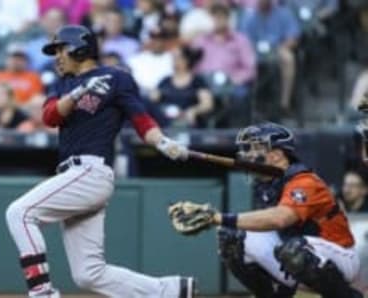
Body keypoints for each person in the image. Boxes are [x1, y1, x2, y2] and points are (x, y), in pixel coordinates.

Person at [5, 25, 195, 298]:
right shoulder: (63, 84)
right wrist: (77, 93)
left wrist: (163, 142)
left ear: (80, 48)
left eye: (61, 49)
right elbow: (49, 117)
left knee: (19, 213)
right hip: (73, 175)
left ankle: (42, 293)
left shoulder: (116, 78)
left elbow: (141, 120)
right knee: (88, 274)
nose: (57, 56)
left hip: (91, 171)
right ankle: (170, 290)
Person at [170, 122, 362, 298]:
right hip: (295, 252)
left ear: (277, 154)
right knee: (231, 236)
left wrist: (217, 217)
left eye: (256, 148)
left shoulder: (305, 181)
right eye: (248, 149)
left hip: (340, 257)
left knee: (294, 250)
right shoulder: (265, 184)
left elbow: (280, 219)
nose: (248, 154)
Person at [239, 0, 301, 113]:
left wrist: (281, 47)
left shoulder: (283, 13)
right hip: (254, 52)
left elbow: (293, 38)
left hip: (276, 49)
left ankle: (284, 102)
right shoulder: (249, 16)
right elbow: (243, 40)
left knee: (288, 58)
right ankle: (251, 103)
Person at [149, 46, 214, 127]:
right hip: (167, 123)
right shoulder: (165, 81)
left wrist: (193, 111)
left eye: (178, 58)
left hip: (190, 124)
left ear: (186, 60)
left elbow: (207, 104)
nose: (174, 61)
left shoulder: (197, 81)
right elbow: (153, 99)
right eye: (174, 58)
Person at [0, 43, 43, 109]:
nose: (16, 60)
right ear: (7, 59)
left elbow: (37, 100)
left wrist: (15, 106)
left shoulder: (33, 77)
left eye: (20, 58)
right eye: (14, 57)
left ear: (25, 60)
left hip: (23, 112)